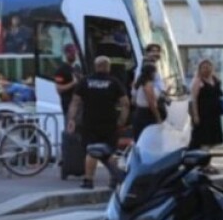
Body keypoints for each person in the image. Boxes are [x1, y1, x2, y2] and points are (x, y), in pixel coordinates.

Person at [66, 56, 129, 190]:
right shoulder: (114, 82)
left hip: (89, 122)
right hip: (109, 122)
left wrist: (71, 119)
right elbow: (125, 104)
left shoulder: (85, 81)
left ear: (96, 67)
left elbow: (75, 102)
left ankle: (88, 180)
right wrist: (121, 120)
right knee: (111, 151)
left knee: (91, 151)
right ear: (108, 67)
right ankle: (114, 179)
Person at [188, 59, 223, 174]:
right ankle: (205, 164)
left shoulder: (215, 80)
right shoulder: (198, 81)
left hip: (214, 114)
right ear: (200, 69)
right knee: (204, 140)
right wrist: (195, 115)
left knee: (212, 140)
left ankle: (206, 162)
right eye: (204, 67)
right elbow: (193, 99)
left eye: (208, 66)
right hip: (203, 114)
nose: (206, 69)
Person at [131, 62, 164, 143]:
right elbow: (151, 103)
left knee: (138, 138)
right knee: (149, 139)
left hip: (138, 112)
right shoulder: (148, 84)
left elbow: (133, 100)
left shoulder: (137, 83)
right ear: (151, 73)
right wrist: (158, 117)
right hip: (147, 114)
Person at [53, 44, 83, 118]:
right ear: (66, 54)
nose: (74, 55)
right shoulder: (61, 70)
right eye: (71, 53)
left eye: (74, 53)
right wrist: (73, 83)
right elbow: (59, 89)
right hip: (68, 104)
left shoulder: (77, 68)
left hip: (79, 104)